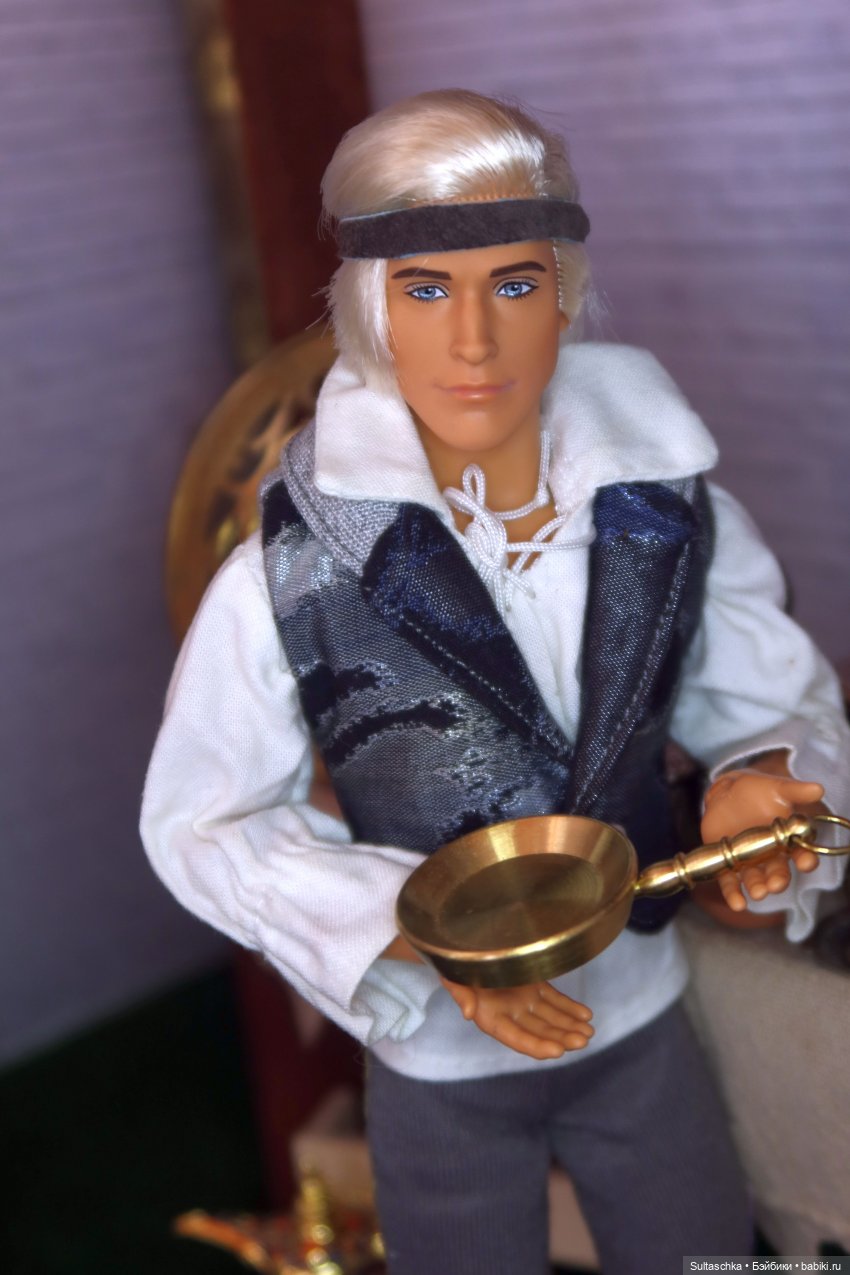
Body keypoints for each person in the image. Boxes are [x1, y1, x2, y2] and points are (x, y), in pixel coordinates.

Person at [141, 90, 850, 1273]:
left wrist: (761, 778)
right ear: (371, 307)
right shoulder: (294, 571)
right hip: (440, 1062)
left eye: (513, 285)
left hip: (640, 1008)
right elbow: (203, 821)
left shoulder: (666, 511)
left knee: (709, 1251)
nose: (473, 342)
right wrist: (417, 935)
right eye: (426, 290)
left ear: (563, 293)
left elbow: (773, 700)